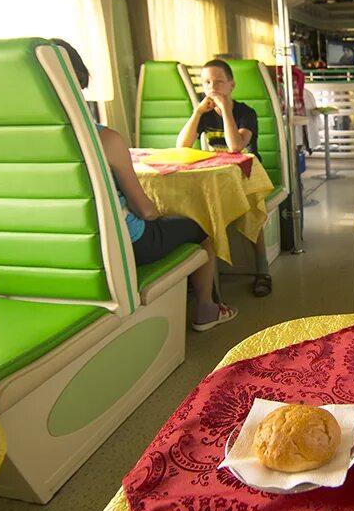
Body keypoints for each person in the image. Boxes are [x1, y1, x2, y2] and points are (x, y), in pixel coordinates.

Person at [53, 39, 238, 331]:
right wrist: (156, 211)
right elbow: (146, 212)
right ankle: (205, 308)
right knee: (202, 227)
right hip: (124, 243)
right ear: (78, 82)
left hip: (59, 247)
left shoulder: (7, 147)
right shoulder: (106, 140)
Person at [176, 59, 272, 297]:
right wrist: (197, 112)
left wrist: (226, 111)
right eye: (207, 82)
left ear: (231, 84)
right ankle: (203, 277)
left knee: (251, 209)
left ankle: (262, 267)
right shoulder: (205, 115)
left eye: (219, 81)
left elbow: (236, 146)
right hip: (216, 176)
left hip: (246, 175)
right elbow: (182, 145)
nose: (213, 87)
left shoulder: (245, 113)